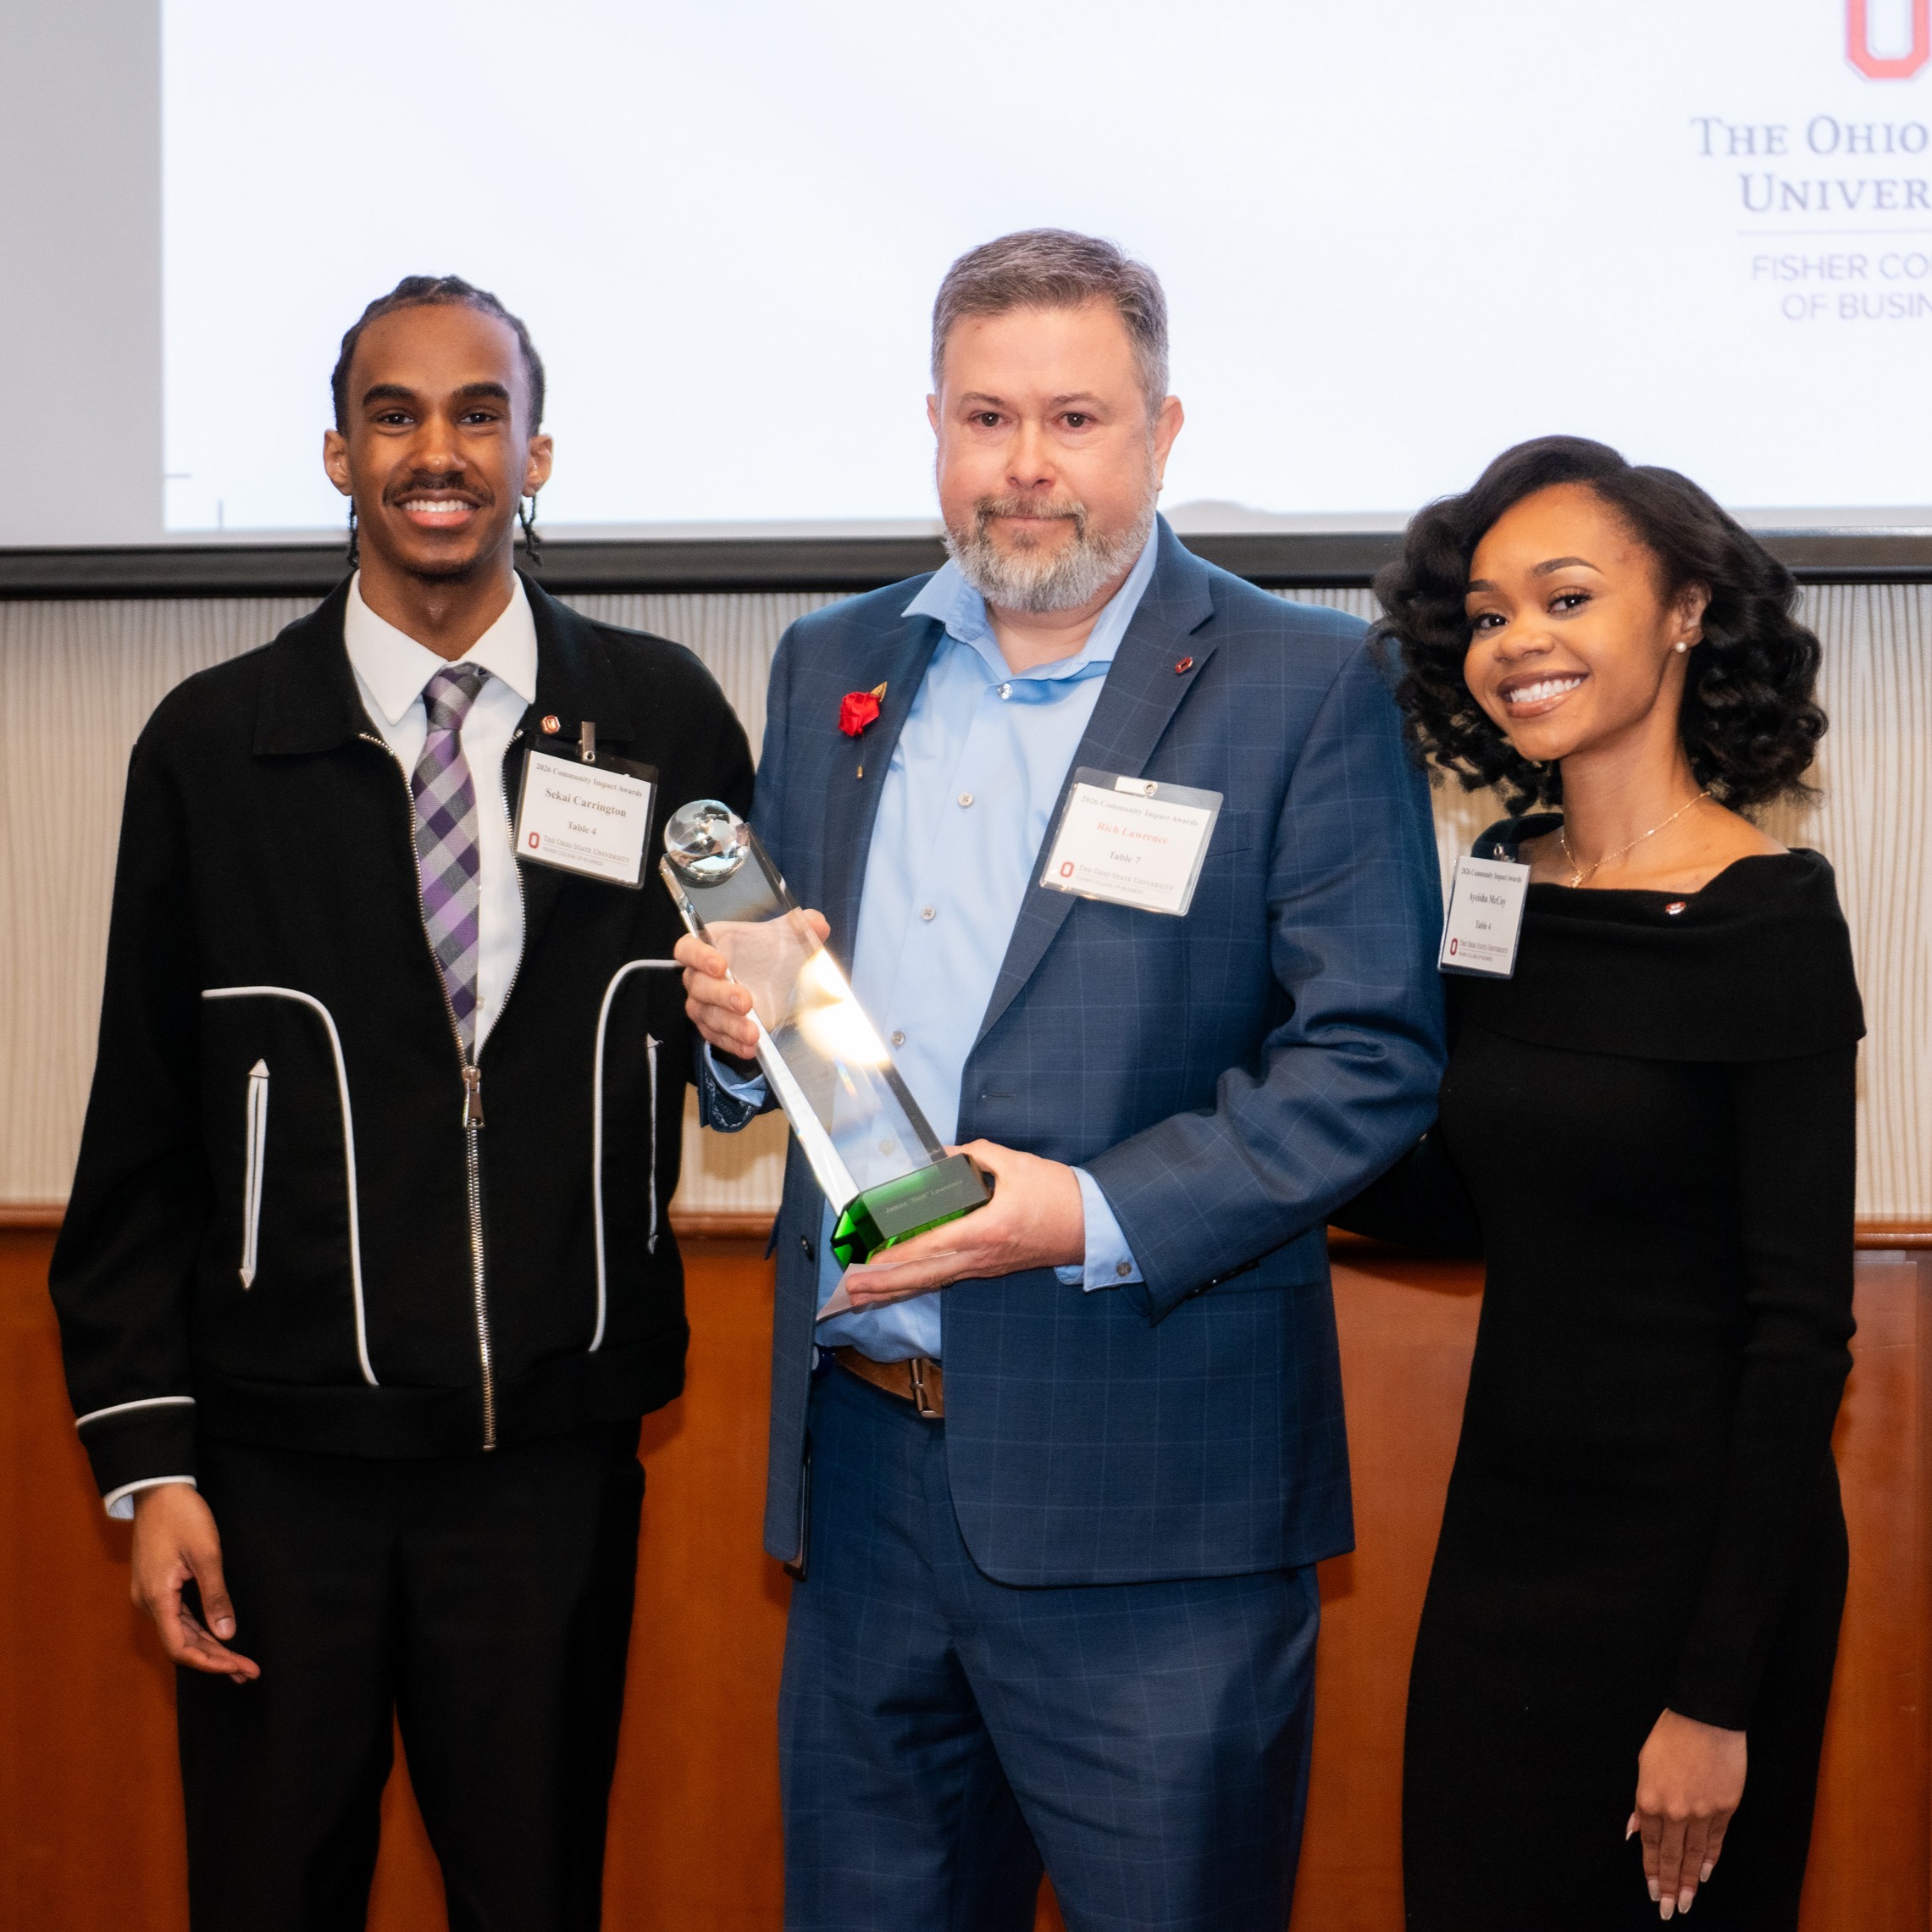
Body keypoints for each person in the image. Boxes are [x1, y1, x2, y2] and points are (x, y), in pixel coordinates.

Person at [676, 229, 1446, 1931]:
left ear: (1161, 433)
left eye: (1076, 418)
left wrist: (1083, 1212)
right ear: (934, 429)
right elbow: (797, 1009)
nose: (1026, 466)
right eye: (985, 416)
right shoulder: (833, 666)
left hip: (1155, 1505)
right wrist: (741, 1039)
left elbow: (1370, 1060)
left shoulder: (1302, 682)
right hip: (871, 1483)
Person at [50, 274, 753, 1931]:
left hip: (553, 1465)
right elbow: (140, 1131)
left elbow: (766, 1014)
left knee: (533, 1892)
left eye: (478, 411)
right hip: (276, 1468)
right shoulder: (211, 749)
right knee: (270, 1891)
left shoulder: (664, 717)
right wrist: (153, 1474)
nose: (438, 450)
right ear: (336, 451)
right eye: (396, 411)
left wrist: (754, 1052)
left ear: (538, 453)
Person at [1339, 435, 1862, 1929]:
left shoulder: (1770, 912)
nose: (1519, 644)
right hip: (1506, 1542)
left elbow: (1797, 1327)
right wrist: (1263, 1143)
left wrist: (1711, 1694)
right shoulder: (1497, 879)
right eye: (1489, 616)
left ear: (1684, 609)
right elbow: (1462, 1198)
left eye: (1564, 597)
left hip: (1699, 1569)